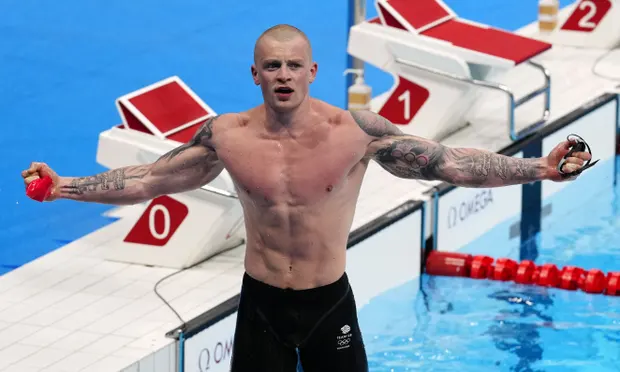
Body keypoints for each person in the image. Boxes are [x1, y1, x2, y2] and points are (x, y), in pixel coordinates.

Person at [22, 24, 592, 372]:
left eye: (295, 65)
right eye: (273, 65)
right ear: (255, 74)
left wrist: (539, 167)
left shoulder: (355, 132)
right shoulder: (227, 136)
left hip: (327, 305)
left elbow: (449, 164)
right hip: (262, 306)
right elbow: (152, 179)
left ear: (313, 71)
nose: (284, 74)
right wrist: (63, 186)